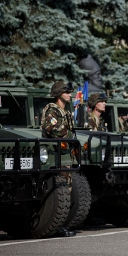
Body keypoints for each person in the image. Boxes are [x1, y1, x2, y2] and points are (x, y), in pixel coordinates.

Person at [39, 80, 77, 237]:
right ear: (58, 94)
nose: (69, 94)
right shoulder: (52, 111)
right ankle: (57, 226)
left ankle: (61, 224)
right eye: (66, 92)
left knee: (67, 189)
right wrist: (69, 136)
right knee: (61, 190)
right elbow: (52, 129)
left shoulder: (64, 111)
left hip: (65, 155)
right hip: (55, 156)